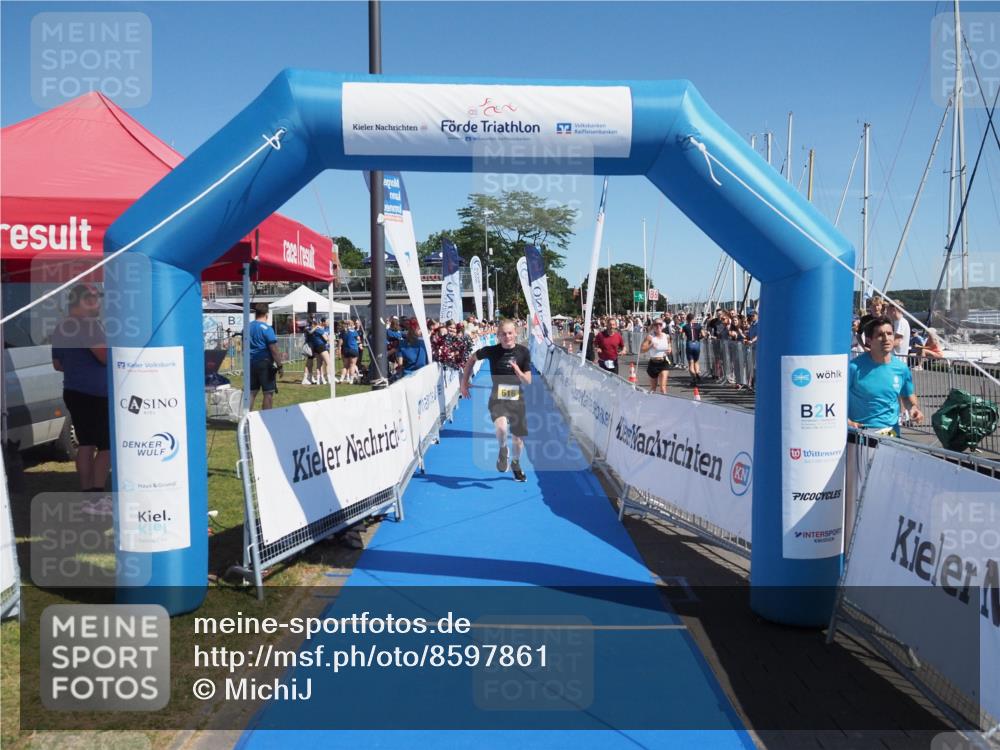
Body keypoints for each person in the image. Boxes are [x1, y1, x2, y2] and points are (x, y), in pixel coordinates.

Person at [50, 283, 112, 516]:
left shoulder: (61, 326)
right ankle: (97, 497)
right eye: (95, 299)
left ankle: (88, 497)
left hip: (74, 390)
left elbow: (58, 365)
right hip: (95, 394)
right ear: (82, 301)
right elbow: (104, 357)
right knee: (106, 446)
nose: (99, 304)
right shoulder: (89, 326)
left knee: (85, 444)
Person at [460, 319, 531, 482]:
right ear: (498, 335)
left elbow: (528, 381)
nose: (507, 337)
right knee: (501, 428)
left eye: (510, 333)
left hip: (517, 398)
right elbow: (471, 359)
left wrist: (518, 371)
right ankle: (503, 449)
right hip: (497, 397)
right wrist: (464, 382)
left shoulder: (523, 352)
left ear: (515, 333)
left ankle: (516, 463)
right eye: (503, 334)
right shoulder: (491, 351)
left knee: (518, 439)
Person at [848, 316, 924, 436]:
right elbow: (835, 398)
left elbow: (907, 396)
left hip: (890, 431)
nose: (886, 338)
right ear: (868, 340)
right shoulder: (853, 367)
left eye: (889, 334)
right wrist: (846, 422)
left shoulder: (901, 368)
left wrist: (913, 409)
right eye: (880, 335)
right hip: (860, 432)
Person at [248, 303, 282, 410]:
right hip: (264, 363)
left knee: (251, 392)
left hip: (250, 362)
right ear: (266, 314)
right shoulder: (267, 329)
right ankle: (266, 419)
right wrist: (280, 365)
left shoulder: (247, 327)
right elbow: (274, 349)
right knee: (268, 393)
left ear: (255, 313)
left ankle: (245, 418)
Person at [640, 318, 672, 394]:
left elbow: (669, 345)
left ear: (662, 326)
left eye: (660, 324)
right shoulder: (650, 337)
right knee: (653, 389)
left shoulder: (666, 336)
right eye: (656, 325)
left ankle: (665, 404)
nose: (658, 326)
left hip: (664, 362)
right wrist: (650, 345)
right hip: (653, 363)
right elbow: (642, 350)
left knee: (663, 388)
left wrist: (670, 349)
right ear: (653, 326)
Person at [681, 312, 703, 384]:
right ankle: (697, 373)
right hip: (697, 343)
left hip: (689, 343)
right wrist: (700, 338)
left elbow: (682, 334)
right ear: (693, 319)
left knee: (690, 362)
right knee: (696, 361)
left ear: (687, 319)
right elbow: (703, 334)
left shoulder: (685, 326)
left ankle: (694, 378)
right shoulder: (698, 325)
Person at [338, 319, 362, 383]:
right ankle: (351, 380)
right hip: (353, 349)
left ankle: (341, 379)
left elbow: (340, 342)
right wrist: (357, 343)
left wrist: (339, 349)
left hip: (345, 350)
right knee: (352, 365)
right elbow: (359, 339)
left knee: (345, 366)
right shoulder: (354, 331)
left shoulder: (342, 332)